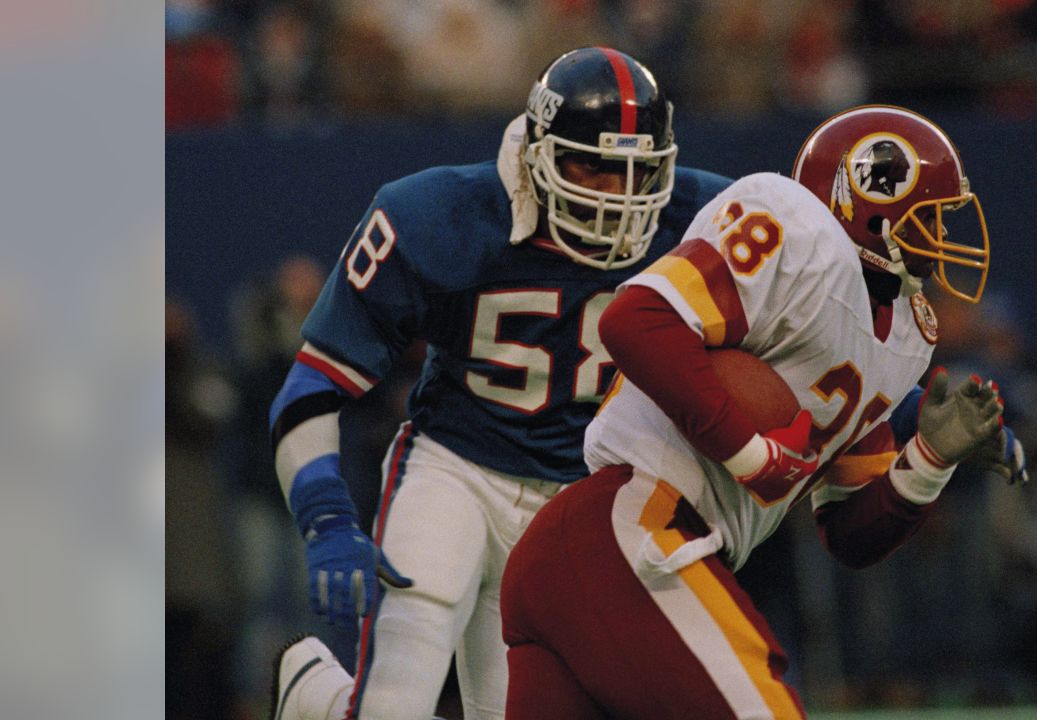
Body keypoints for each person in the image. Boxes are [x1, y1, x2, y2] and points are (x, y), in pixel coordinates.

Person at [500, 105, 1028, 719]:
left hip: (605, 559)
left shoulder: (908, 336)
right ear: (868, 197)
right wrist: (751, 454)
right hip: (630, 526)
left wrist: (929, 461)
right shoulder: (797, 227)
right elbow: (637, 320)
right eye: (927, 215)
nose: (939, 233)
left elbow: (850, 535)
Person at [267, 47, 733, 720]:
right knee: (394, 701)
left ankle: (315, 698)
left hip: (579, 504)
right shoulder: (441, 215)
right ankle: (322, 688)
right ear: (539, 152)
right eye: (591, 166)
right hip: (457, 469)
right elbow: (312, 383)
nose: (613, 195)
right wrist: (325, 515)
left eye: (636, 173)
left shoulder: (708, 218)